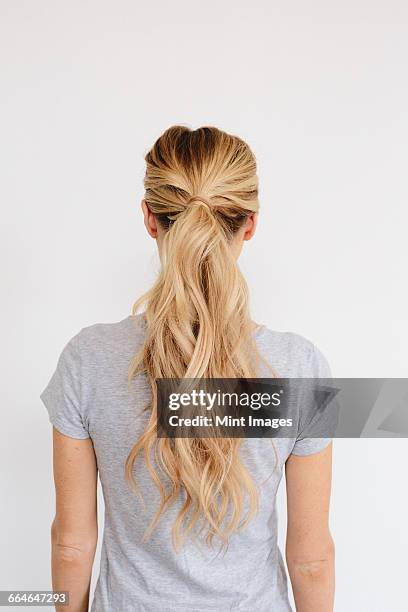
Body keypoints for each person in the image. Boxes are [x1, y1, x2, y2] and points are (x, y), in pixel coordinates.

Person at [40, 125, 335, 612]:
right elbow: (312, 560)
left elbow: (71, 544)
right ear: (251, 223)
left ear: (150, 218)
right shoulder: (299, 369)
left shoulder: (87, 359)